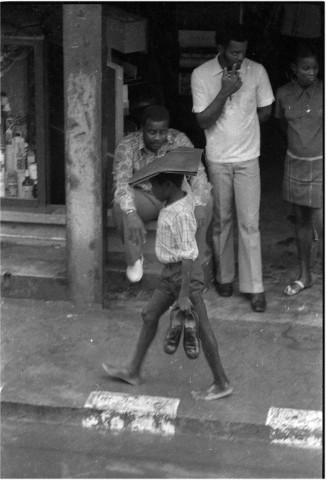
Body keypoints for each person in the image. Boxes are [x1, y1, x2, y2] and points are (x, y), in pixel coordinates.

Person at [103, 149, 232, 401]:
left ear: (168, 185)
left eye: (154, 186)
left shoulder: (180, 213)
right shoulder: (177, 199)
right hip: (171, 274)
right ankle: (133, 371)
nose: (150, 191)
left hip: (185, 276)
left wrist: (183, 296)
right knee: (149, 314)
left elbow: (188, 256)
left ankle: (222, 382)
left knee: (203, 329)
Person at [191, 23, 274, 312]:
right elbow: (203, 120)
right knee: (221, 220)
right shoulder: (201, 74)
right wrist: (226, 91)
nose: (239, 57)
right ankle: (225, 277)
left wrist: (246, 125)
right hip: (218, 158)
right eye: (234, 51)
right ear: (221, 50)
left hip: (249, 158)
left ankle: (255, 288)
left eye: (243, 51)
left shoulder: (257, 71)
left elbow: (266, 110)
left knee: (250, 223)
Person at [113, 104, 212, 283]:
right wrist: (130, 212)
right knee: (120, 206)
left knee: (208, 201)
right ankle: (135, 259)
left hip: (175, 197)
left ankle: (195, 261)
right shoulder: (127, 145)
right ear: (142, 129)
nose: (158, 137)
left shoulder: (178, 139)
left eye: (162, 132)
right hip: (147, 197)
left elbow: (198, 173)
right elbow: (121, 183)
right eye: (152, 132)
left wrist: (198, 203)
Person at [275, 42, 323, 296]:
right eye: (305, 68)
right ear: (294, 68)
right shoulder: (283, 94)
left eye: (315, 68)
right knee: (301, 220)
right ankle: (306, 275)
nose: (311, 72)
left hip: (320, 163)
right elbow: (283, 125)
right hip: (295, 163)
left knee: (321, 221)